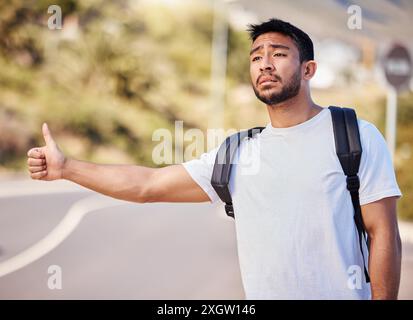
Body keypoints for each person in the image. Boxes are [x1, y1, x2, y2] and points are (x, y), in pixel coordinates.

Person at [27, 18, 402, 300]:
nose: (264, 64)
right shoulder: (239, 154)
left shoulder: (353, 135)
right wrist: (67, 168)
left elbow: (382, 231)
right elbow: (147, 186)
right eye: (256, 57)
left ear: (309, 70)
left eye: (279, 54)